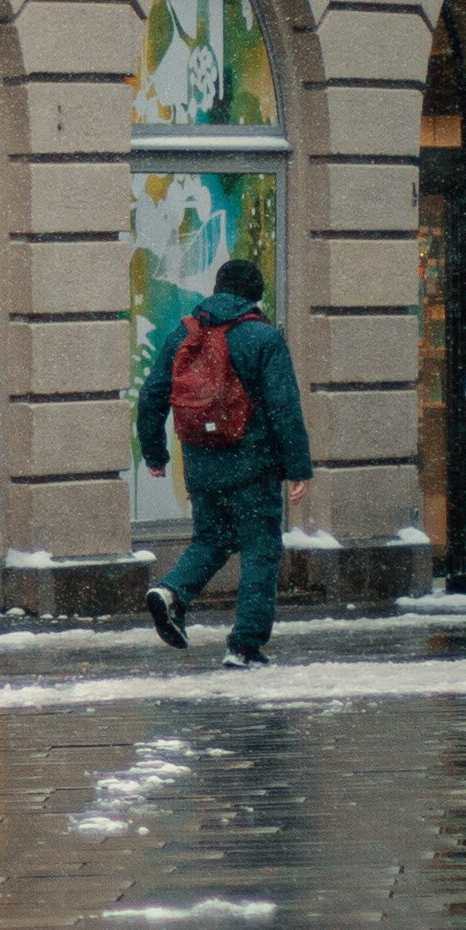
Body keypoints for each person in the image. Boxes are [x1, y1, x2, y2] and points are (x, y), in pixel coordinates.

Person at [136, 255, 313, 666]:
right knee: (259, 548)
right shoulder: (262, 338)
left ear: (216, 289)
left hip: (201, 462)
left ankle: (173, 591)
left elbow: (151, 397)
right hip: (253, 464)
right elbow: (284, 407)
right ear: (255, 294)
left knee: (211, 539)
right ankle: (245, 645)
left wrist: (155, 453)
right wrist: (298, 468)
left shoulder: (185, 332)